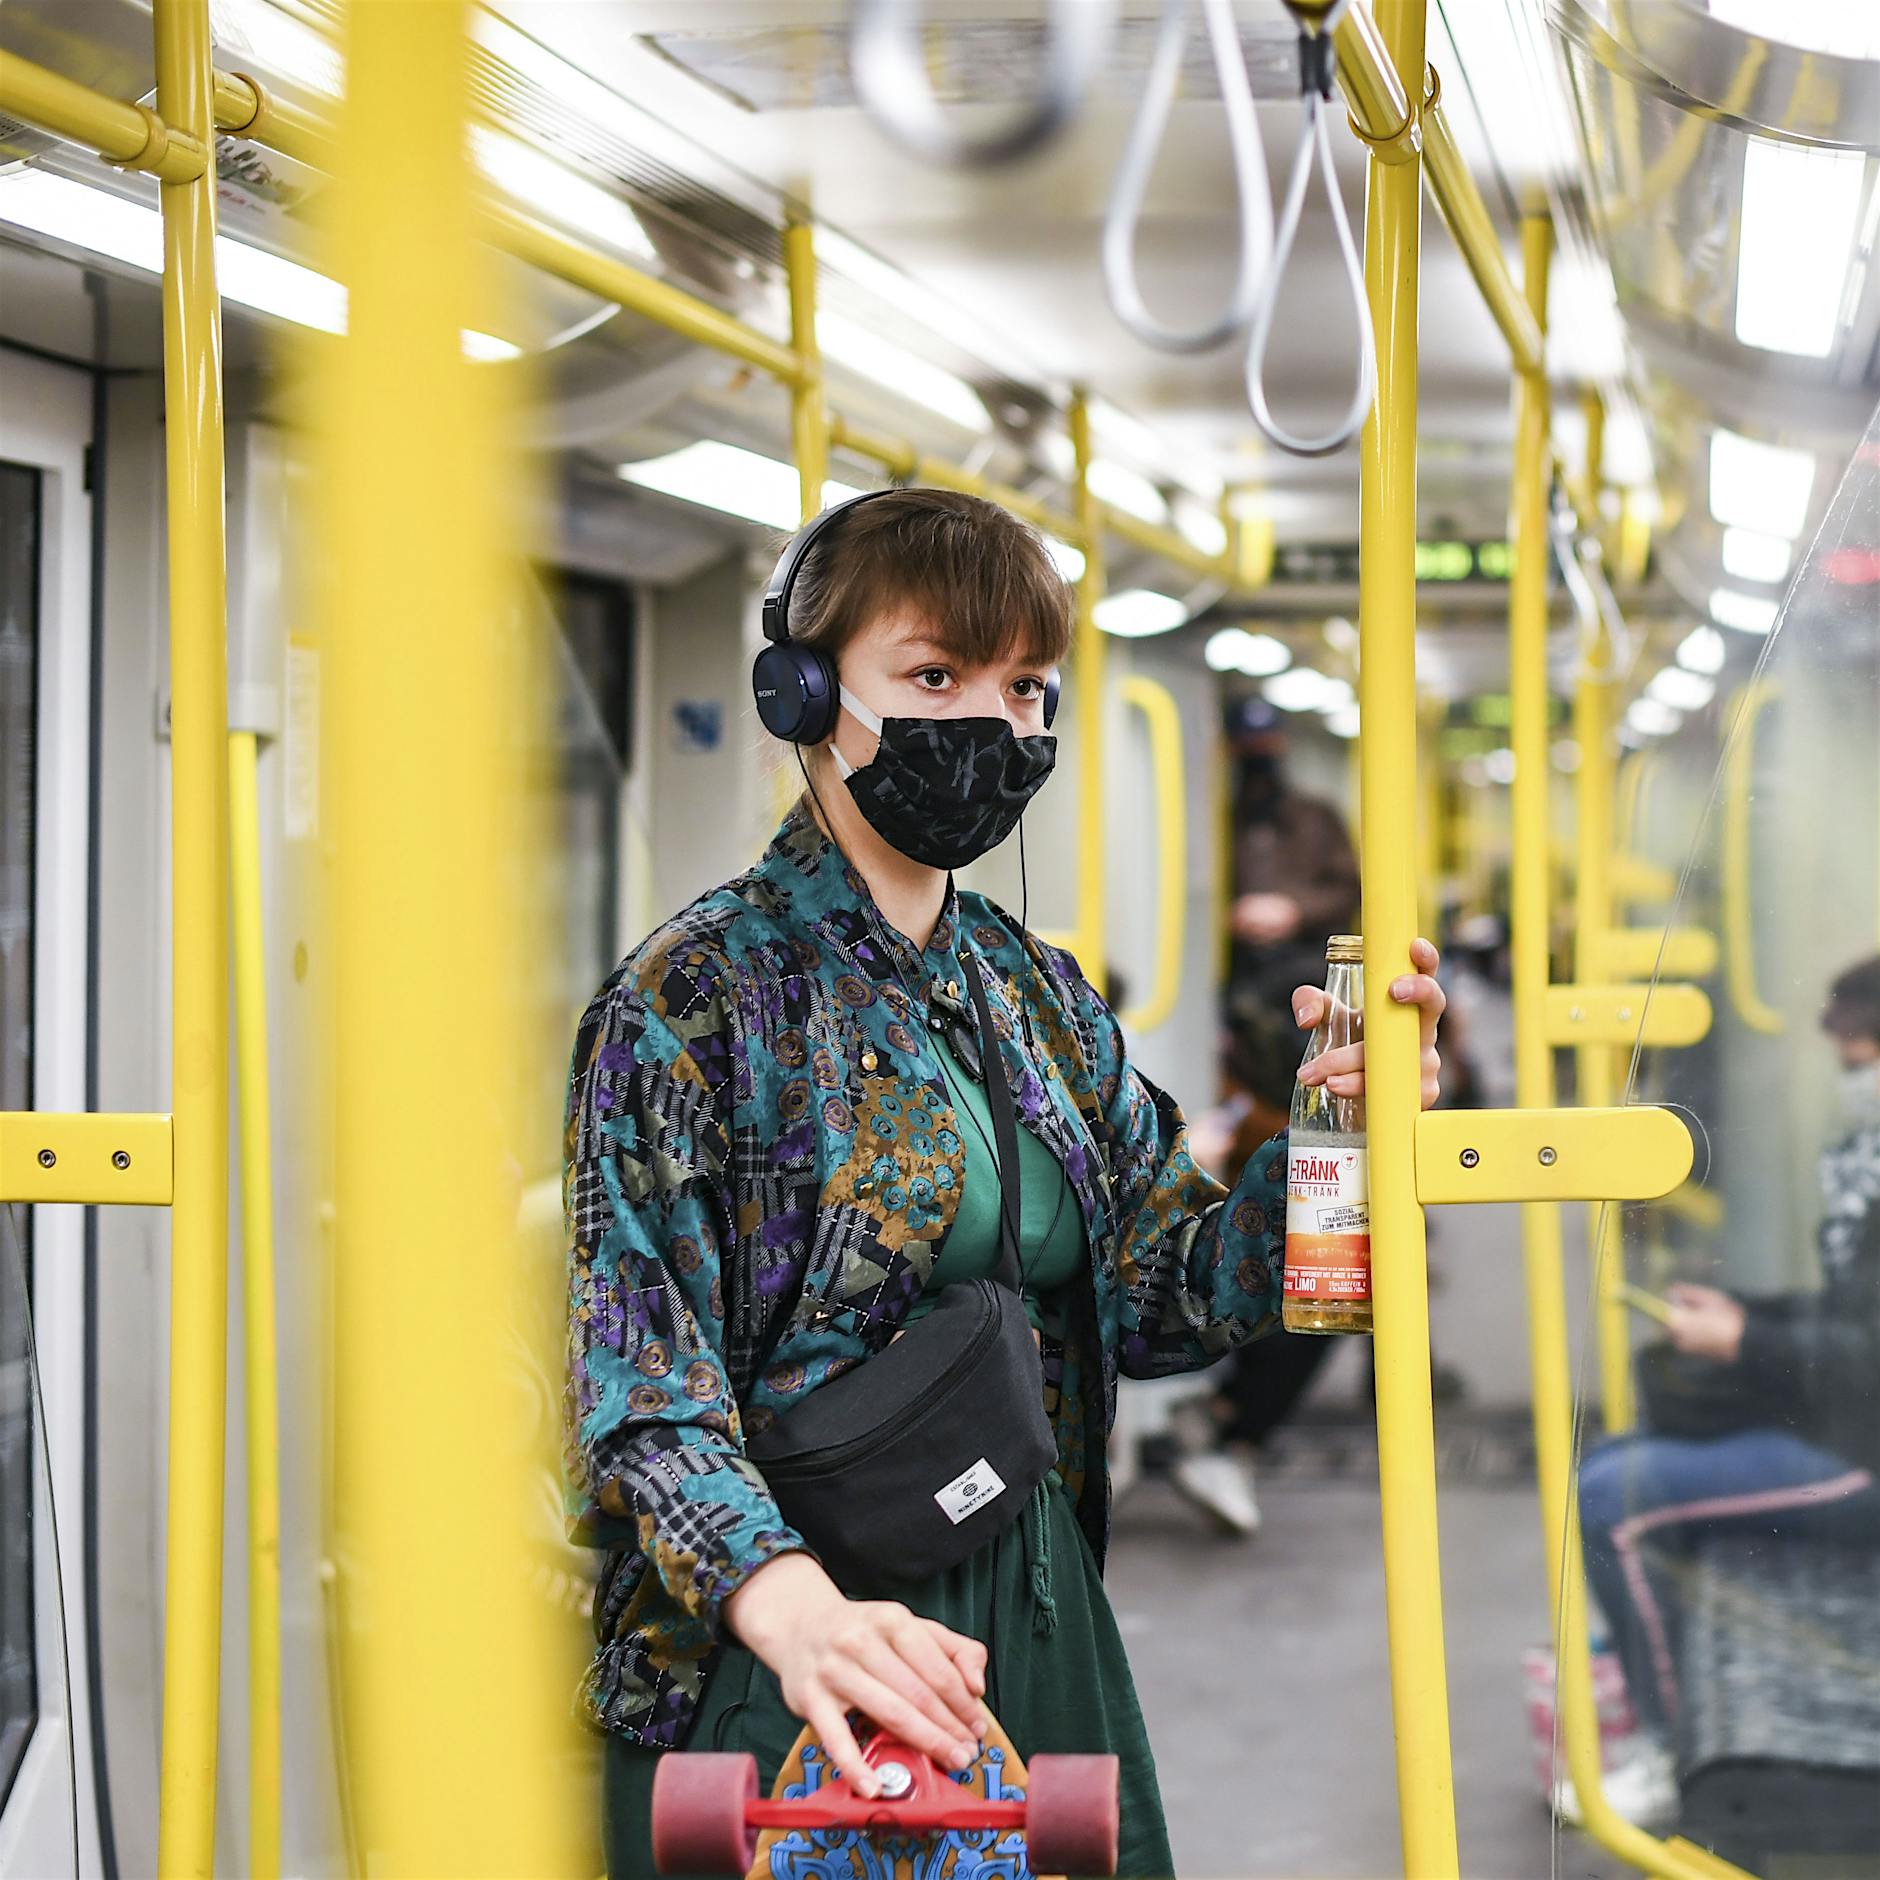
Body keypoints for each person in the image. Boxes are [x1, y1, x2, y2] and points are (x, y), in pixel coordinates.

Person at [563, 488, 1449, 1878]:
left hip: (1032, 1608)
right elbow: (641, 1396)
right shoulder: (693, 1000)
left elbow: (1166, 1299)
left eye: (1025, 687)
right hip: (795, 1640)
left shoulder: (1033, 997)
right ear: (804, 695)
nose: (994, 724)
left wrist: (1338, 1145)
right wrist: (797, 1612)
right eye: (933, 676)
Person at [1572, 954, 1880, 1828]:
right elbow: (1855, 1311)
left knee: (1615, 1502)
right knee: (1619, 1464)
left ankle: (1670, 1752)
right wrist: (1744, 1313)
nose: (1850, 1084)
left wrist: (1744, 1340)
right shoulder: (1869, 1159)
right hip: (1848, 1425)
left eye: (1860, 1063)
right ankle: (1652, 1722)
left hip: (1865, 1454)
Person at [1164, 698, 1364, 1535]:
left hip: (1291, 1054)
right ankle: (1224, 1427)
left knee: (1335, 1268)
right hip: (1229, 1059)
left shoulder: (1310, 823)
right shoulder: (1197, 825)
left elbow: (1347, 891)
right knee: (1314, 1270)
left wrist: (1292, 915)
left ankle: (1225, 1424)